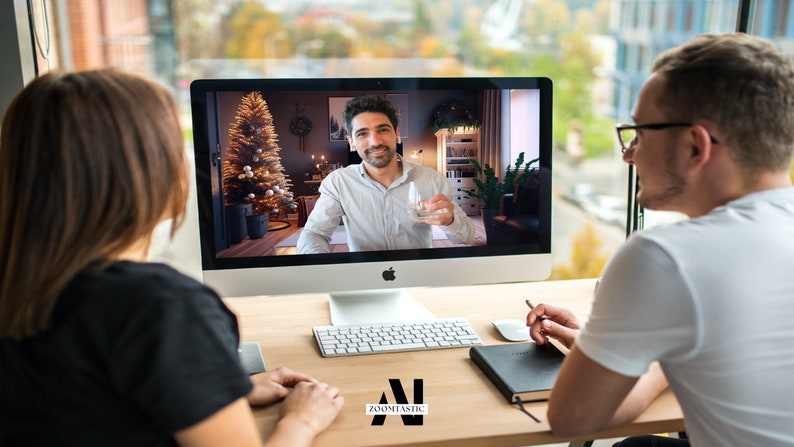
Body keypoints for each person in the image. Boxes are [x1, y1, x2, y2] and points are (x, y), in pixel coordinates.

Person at [0, 69, 343, 446]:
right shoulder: (160, 307)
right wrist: (302, 420)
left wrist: (219, 388)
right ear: (151, 172)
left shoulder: (23, 288)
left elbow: (91, 405)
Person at [526, 33, 794, 446]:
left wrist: (648, 345)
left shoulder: (666, 257)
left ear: (695, 146)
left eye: (640, 133)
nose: (628, 154)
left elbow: (571, 420)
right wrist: (631, 344)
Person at [297, 95, 474, 253]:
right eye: (362, 134)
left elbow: (466, 237)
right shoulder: (338, 182)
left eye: (383, 130)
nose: (375, 141)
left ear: (397, 134)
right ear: (351, 142)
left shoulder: (431, 179)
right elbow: (314, 233)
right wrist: (320, 266)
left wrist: (450, 220)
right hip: (364, 275)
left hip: (418, 274)